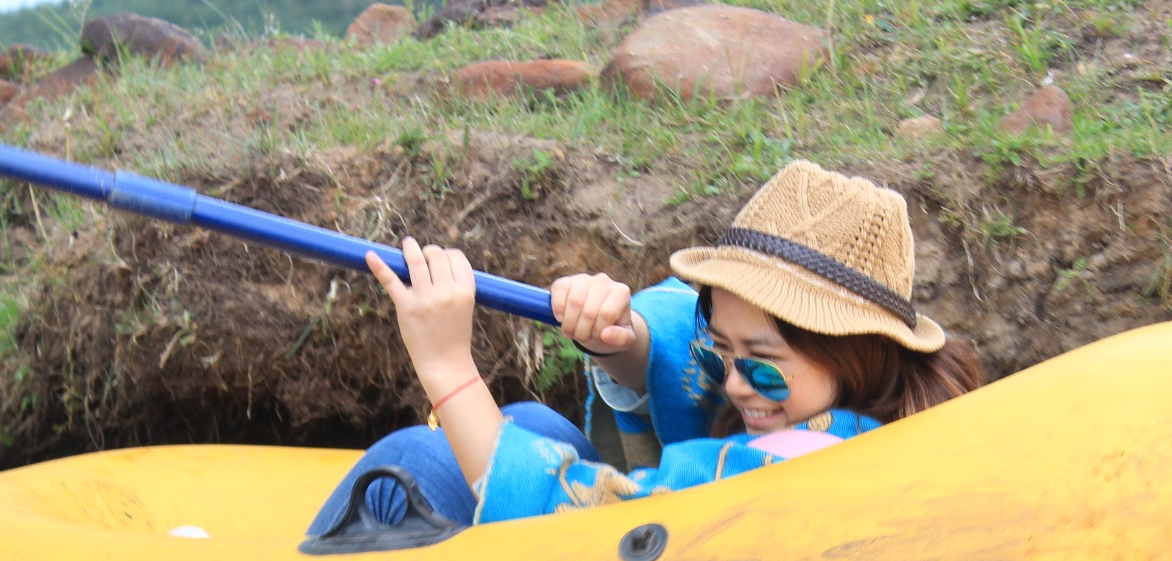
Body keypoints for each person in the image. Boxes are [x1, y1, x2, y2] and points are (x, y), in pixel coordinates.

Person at [306, 161, 981, 535]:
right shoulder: (874, 417)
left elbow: (568, 511)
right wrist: (625, 343)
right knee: (535, 422)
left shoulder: (774, 465)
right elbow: (679, 334)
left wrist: (446, 363)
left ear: (855, 356)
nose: (736, 385)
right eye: (719, 353)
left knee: (412, 457)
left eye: (763, 369)